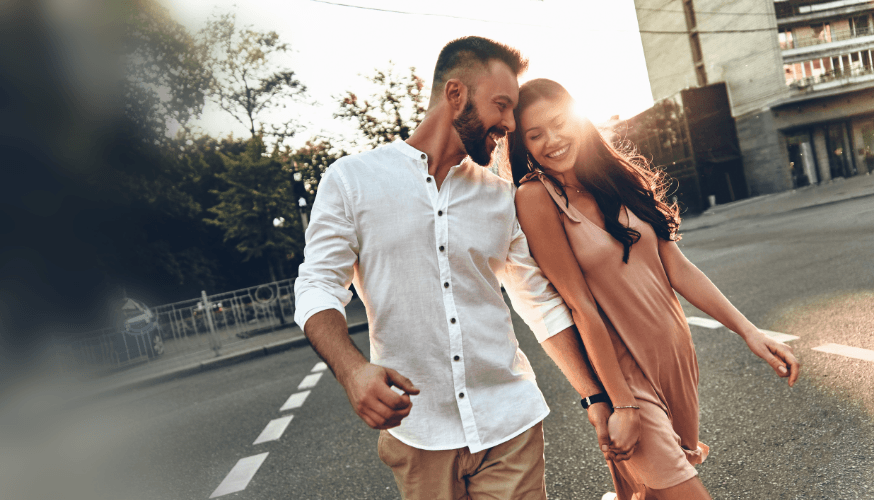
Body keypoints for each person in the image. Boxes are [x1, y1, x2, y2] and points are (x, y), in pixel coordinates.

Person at [294, 38, 625, 499]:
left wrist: (595, 396)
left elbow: (539, 303)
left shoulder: (499, 195)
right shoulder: (352, 181)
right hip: (419, 435)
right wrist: (353, 371)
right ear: (456, 95)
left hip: (510, 422)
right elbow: (317, 286)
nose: (510, 124)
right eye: (502, 106)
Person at [508, 79, 801, 500]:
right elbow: (580, 306)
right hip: (625, 371)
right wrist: (620, 402)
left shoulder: (616, 179)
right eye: (535, 135)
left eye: (558, 123)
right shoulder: (535, 198)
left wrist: (750, 332)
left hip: (675, 359)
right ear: (524, 145)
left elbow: (678, 269)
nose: (552, 140)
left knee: (646, 494)